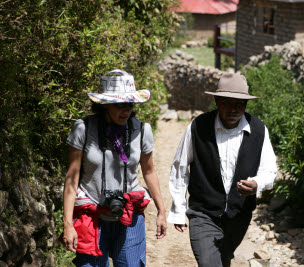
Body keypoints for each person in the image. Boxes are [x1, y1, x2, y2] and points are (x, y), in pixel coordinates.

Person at [168, 73, 277, 267]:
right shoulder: (198, 127)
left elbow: (270, 171)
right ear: (217, 102)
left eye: (239, 104)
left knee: (224, 259)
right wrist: (178, 209)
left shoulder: (259, 130)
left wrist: (256, 184)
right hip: (203, 214)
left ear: (246, 105)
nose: (233, 110)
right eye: (227, 103)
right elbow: (180, 168)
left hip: (239, 216)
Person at [62, 69, 166, 267]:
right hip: (91, 215)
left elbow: (149, 171)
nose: (125, 110)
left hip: (129, 214)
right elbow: (72, 178)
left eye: (129, 104)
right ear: (104, 105)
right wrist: (68, 223)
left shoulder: (142, 130)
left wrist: (161, 210)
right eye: (119, 104)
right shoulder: (83, 129)